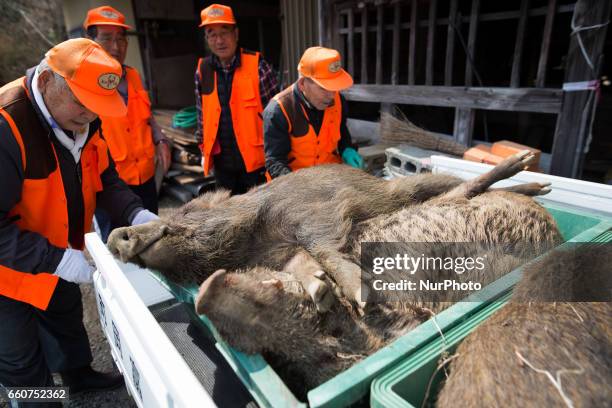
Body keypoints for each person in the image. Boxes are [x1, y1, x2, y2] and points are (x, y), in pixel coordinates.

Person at [0, 38, 159, 405]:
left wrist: (136, 213)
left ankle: (79, 375)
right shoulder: (7, 126)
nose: (89, 114)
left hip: (58, 250)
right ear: (45, 81)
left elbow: (104, 178)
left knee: (66, 319)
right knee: (19, 359)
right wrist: (57, 260)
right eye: (81, 101)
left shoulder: (84, 117)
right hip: (8, 273)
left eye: (96, 106)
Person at [84, 5, 171, 241]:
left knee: (151, 240)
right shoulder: (82, 87)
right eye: (107, 38)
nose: (115, 47)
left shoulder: (133, 75)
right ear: (90, 41)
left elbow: (145, 113)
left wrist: (160, 137)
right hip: (111, 186)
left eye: (121, 39)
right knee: (118, 247)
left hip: (145, 177)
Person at [195, 3, 280, 194]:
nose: (219, 41)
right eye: (212, 34)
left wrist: (277, 158)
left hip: (256, 165)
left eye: (224, 33)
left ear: (236, 34)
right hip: (222, 167)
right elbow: (202, 116)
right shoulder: (203, 70)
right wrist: (202, 149)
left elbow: (277, 117)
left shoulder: (258, 66)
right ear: (207, 39)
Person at [263, 46, 364, 179]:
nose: (331, 96)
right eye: (324, 88)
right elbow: (275, 161)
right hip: (293, 183)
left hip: (330, 178)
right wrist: (299, 188)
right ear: (302, 84)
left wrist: (347, 148)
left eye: (334, 88)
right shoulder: (279, 110)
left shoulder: (339, 100)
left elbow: (341, 129)